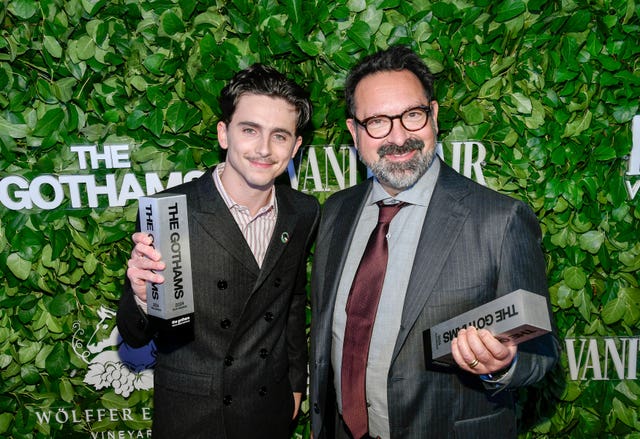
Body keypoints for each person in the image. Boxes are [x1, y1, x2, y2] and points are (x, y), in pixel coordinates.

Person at [309, 45, 560, 439]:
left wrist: (504, 362)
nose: (399, 136)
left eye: (412, 115)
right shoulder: (336, 212)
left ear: (435, 116)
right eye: (377, 121)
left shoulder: (500, 219)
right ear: (354, 133)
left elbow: (542, 351)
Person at [117, 64, 320, 439]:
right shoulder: (170, 212)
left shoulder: (303, 211)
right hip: (193, 415)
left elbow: (290, 304)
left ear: (295, 147)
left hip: (268, 410)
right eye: (250, 130)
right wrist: (142, 298)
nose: (263, 149)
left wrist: (295, 384)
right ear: (223, 134)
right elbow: (133, 335)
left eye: (279, 136)